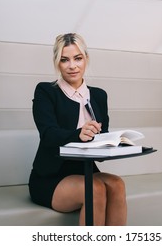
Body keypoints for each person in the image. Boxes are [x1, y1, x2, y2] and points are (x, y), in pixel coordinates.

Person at [29, 33, 127, 225]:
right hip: (51, 176)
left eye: (78, 58)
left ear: (86, 59)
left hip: (87, 171)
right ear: (57, 63)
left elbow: (100, 145)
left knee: (117, 184)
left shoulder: (98, 95)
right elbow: (48, 135)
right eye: (64, 60)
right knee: (95, 189)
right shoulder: (46, 91)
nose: (72, 66)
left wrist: (112, 142)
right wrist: (79, 133)